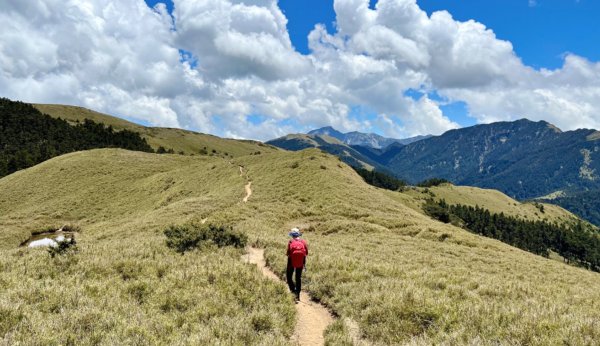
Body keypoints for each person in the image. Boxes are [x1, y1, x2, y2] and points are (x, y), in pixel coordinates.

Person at [286, 227, 308, 303]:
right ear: (299, 235)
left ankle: (293, 291)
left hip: (291, 261)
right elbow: (306, 254)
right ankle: (297, 295)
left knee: (289, 277)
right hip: (301, 262)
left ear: (292, 235)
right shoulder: (303, 242)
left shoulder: (290, 242)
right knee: (298, 278)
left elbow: (288, 253)